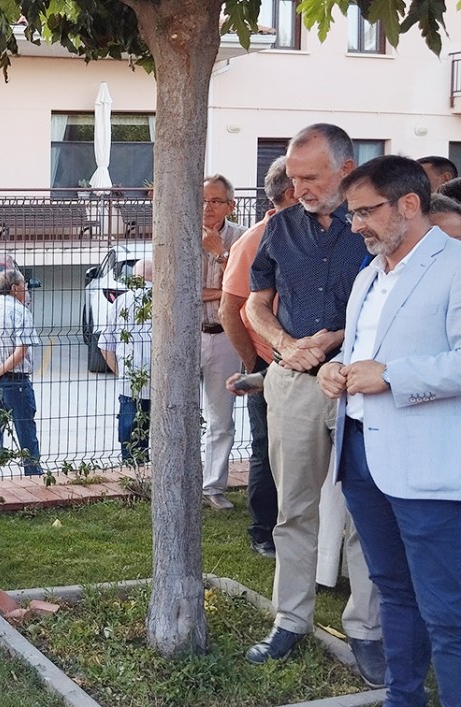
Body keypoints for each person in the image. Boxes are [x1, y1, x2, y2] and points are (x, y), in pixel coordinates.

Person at [319, 154, 461, 707]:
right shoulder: (368, 276)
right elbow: (363, 355)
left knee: (446, 609)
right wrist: (337, 371)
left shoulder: (455, 264)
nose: (355, 226)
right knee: (392, 593)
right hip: (360, 456)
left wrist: (393, 377)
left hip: (428, 469)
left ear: (408, 204)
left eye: (364, 212)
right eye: (352, 214)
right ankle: (404, 699)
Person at [245, 124, 384, 685]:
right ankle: (291, 619)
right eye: (294, 177)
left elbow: (389, 301)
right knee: (294, 506)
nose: (297, 186)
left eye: (310, 176)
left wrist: (330, 339)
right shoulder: (278, 229)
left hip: (361, 383)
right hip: (294, 382)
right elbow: (256, 304)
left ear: (345, 170)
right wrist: (284, 344)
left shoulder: (374, 228)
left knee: (363, 510)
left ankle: (368, 631)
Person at [220, 157, 296, 558]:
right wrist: (255, 366)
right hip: (270, 364)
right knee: (267, 448)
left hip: (314, 365)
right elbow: (229, 311)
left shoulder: (326, 236)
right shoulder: (255, 240)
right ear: (293, 192)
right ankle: (263, 530)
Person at [199, 175, 245, 510]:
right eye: (202, 200)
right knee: (179, 413)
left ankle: (213, 486)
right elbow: (174, 289)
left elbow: (245, 288)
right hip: (187, 337)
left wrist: (219, 253)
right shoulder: (181, 233)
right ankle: (182, 480)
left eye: (215, 201)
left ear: (230, 205)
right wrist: (222, 293)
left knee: (221, 418)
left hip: (226, 337)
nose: (207, 207)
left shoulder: (242, 238)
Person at [0, 268, 43, 478]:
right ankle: (32, 473)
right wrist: (0, 369)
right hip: (16, 380)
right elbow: (21, 350)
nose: (26, 290)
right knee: (25, 429)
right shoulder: (20, 311)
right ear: (15, 288)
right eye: (24, 285)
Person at [98, 259, 153, 463]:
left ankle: (132, 475)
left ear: (135, 277)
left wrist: (120, 374)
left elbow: (105, 345)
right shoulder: (166, 299)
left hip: (130, 382)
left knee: (131, 437)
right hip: (164, 383)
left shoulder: (121, 301)